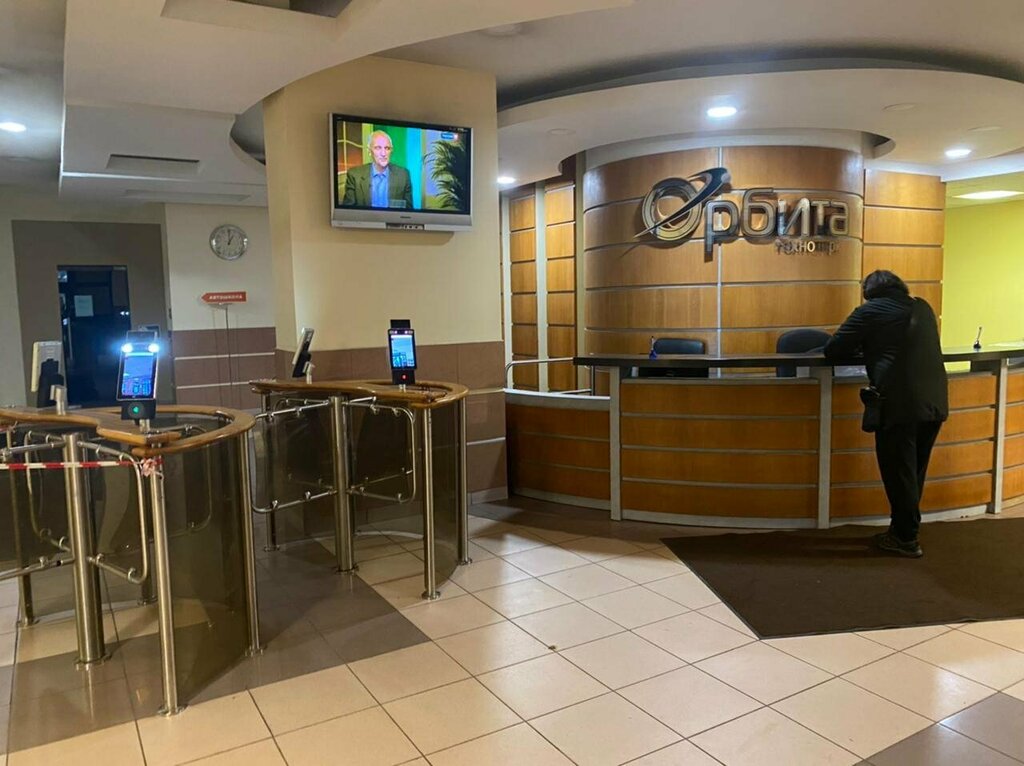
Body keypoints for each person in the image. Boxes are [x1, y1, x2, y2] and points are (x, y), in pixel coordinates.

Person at [823, 270, 948, 558]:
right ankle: (903, 529)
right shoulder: (922, 307)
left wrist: (867, 344)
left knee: (898, 473)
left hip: (899, 403)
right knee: (914, 472)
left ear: (868, 292)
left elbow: (834, 349)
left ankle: (906, 538)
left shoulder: (870, 311)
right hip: (935, 401)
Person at [341, 130, 413, 209]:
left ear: (391, 151)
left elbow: (408, 212)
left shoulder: (403, 175)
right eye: (378, 148)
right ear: (369, 151)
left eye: (387, 148)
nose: (383, 154)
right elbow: (348, 212)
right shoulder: (354, 175)